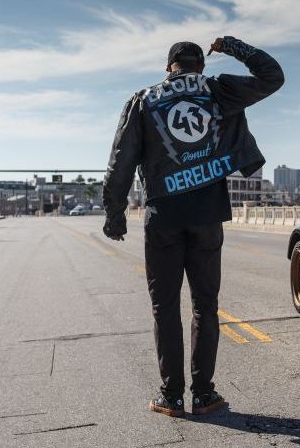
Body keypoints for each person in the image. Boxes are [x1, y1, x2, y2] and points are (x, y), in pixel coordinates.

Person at [101, 36, 284, 417]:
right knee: (205, 306)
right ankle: (203, 394)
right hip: (207, 214)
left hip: (162, 217)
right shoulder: (218, 90)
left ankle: (171, 395)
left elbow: (121, 158)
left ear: (169, 67)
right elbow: (273, 75)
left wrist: (114, 213)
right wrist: (232, 46)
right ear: (200, 66)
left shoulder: (144, 100)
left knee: (164, 308)